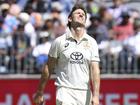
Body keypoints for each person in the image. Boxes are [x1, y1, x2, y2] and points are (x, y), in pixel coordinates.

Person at [33, 4, 100, 105]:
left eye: (83, 15)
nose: (81, 15)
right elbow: (48, 68)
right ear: (69, 18)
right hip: (65, 91)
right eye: (78, 13)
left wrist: (96, 95)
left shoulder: (92, 42)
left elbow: (95, 70)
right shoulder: (59, 42)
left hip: (85, 93)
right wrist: (39, 92)